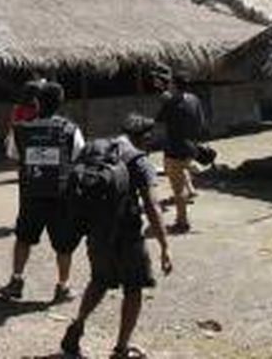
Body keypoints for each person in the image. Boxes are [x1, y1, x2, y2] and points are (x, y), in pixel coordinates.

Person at [60, 114, 173, 359]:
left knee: (99, 281)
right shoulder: (139, 160)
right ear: (145, 137)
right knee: (134, 288)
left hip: (96, 231)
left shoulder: (96, 148)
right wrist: (164, 246)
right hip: (128, 236)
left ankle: (77, 325)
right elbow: (152, 206)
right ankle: (121, 348)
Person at [0, 81, 86, 303]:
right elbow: (78, 158)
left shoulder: (21, 130)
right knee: (64, 244)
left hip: (31, 195)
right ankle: (63, 286)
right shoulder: (70, 130)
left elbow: (12, 157)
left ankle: (16, 281)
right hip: (61, 196)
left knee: (24, 238)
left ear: (37, 102)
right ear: (60, 103)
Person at [153, 67, 206, 234]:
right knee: (183, 173)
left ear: (174, 85)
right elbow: (200, 122)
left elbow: (159, 120)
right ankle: (192, 174)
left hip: (174, 149)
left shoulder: (170, 102)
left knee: (177, 190)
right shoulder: (194, 99)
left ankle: (182, 222)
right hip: (190, 146)